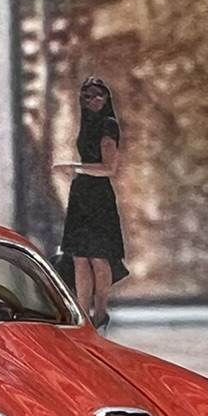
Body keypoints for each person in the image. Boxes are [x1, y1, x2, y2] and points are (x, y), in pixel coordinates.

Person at [53, 75, 128, 329]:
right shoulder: (88, 123)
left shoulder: (108, 125)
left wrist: (74, 167)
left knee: (98, 257)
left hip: (98, 195)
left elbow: (109, 168)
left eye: (98, 95)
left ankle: (100, 311)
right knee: (79, 257)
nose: (92, 100)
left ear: (106, 98)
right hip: (82, 193)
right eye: (87, 96)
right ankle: (83, 312)